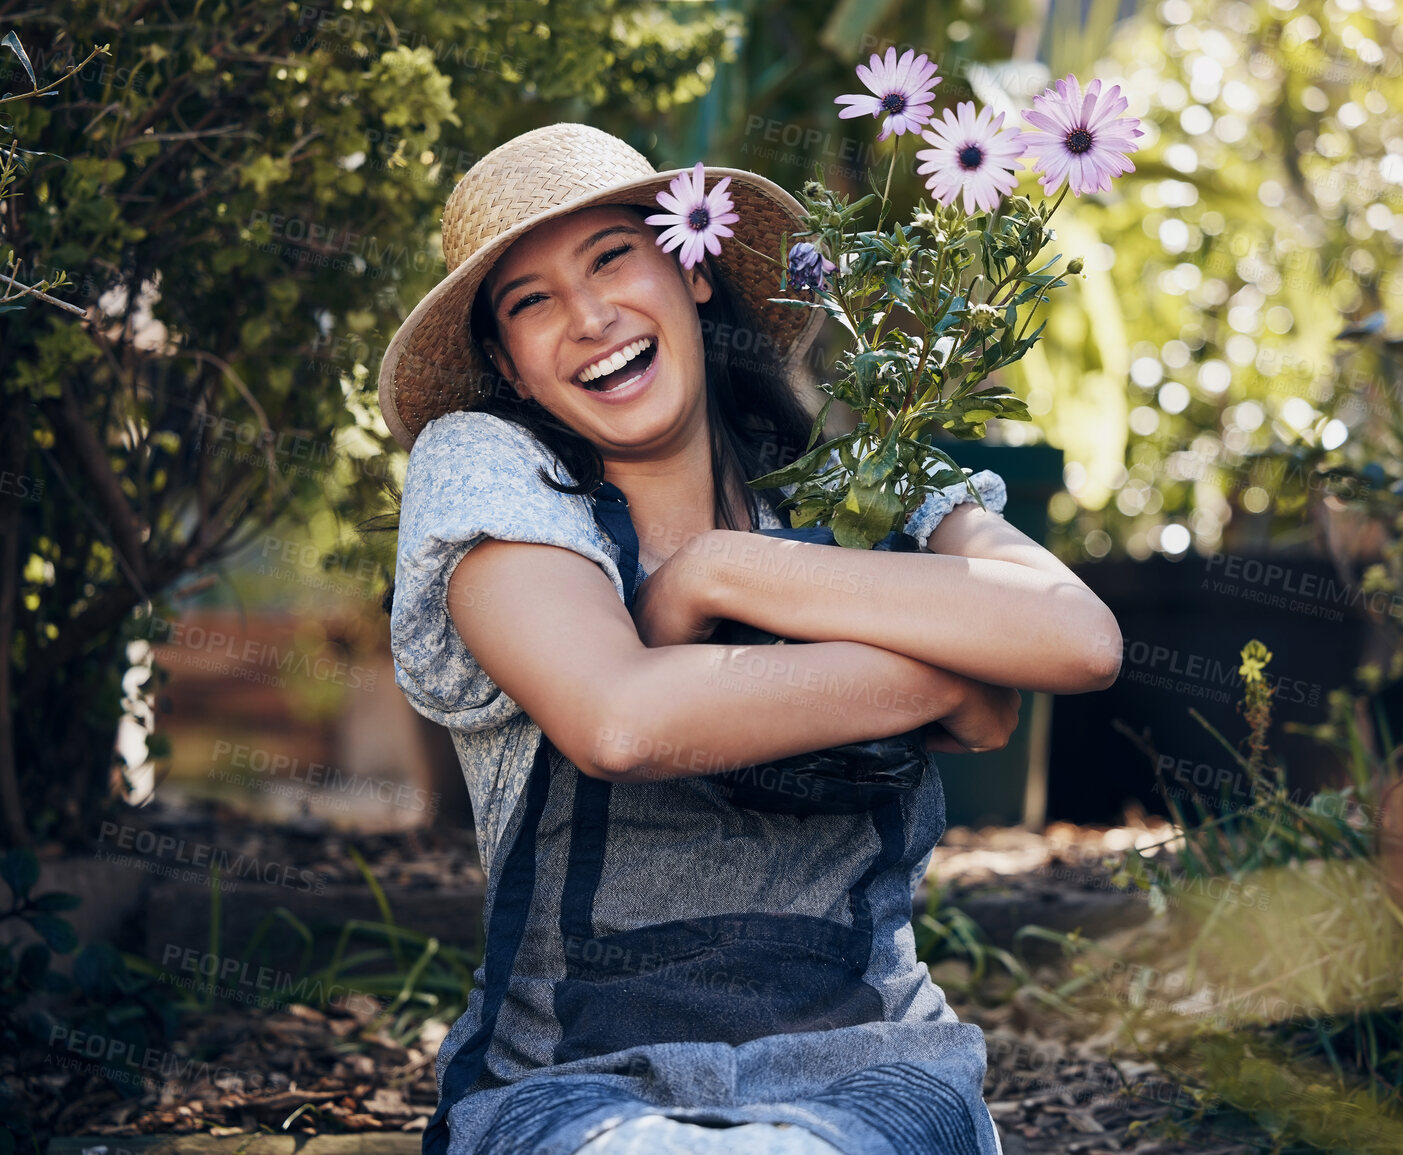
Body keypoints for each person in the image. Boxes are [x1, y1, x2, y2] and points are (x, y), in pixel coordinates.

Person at [378, 122, 1123, 1155]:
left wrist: (718, 570)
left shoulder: (867, 489)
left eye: (611, 258)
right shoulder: (499, 482)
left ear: (691, 268)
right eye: (532, 301)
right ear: (508, 366)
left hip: (879, 1076)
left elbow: (1078, 640)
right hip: (577, 1084)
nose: (590, 317)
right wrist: (952, 675)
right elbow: (621, 721)